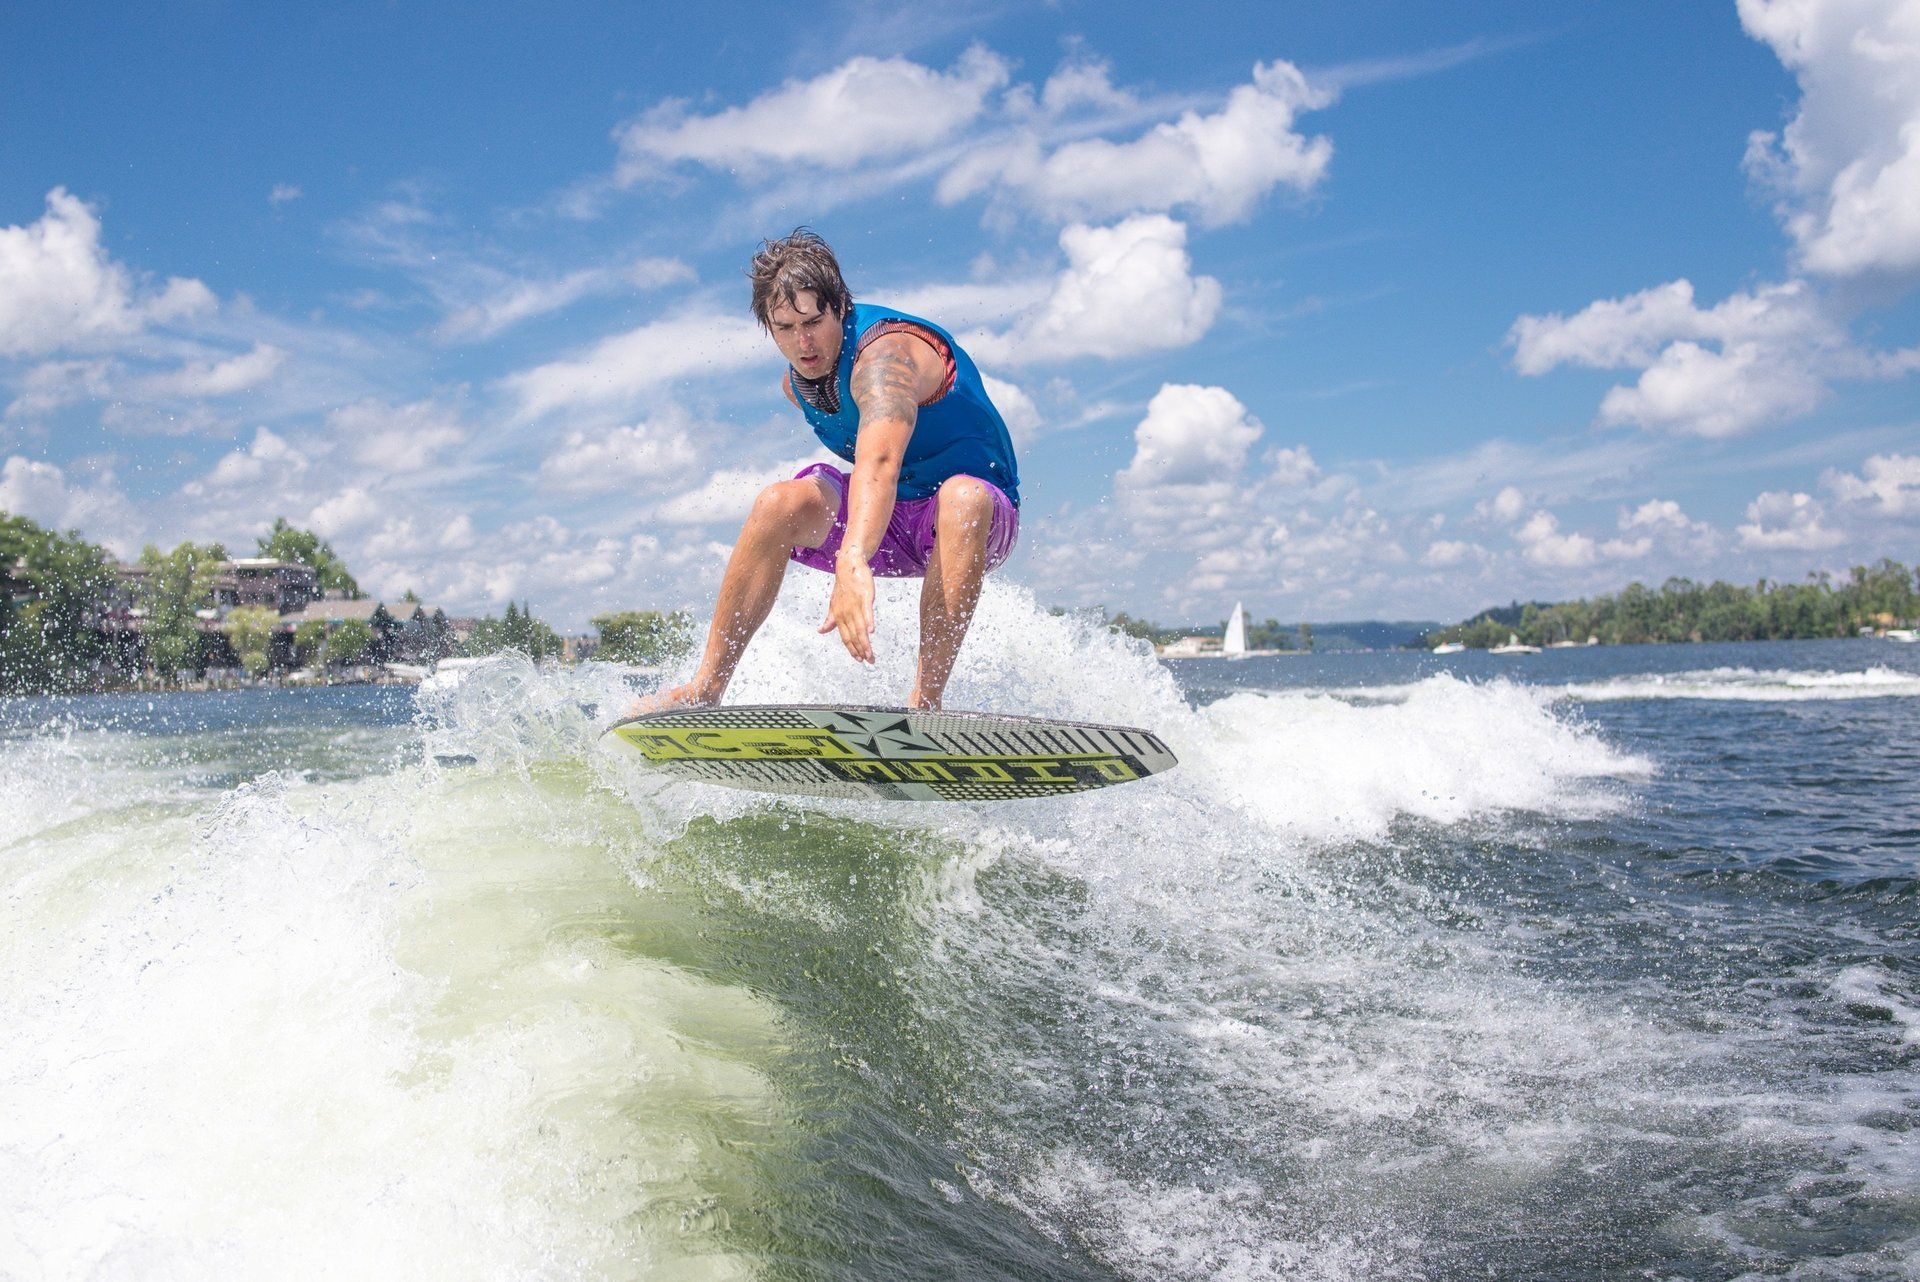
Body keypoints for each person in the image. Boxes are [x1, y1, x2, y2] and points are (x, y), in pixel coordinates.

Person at [642, 228, 1022, 712]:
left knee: (963, 496)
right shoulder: (796, 385)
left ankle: (926, 705)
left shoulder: (886, 360)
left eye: (814, 321)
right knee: (779, 502)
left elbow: (879, 462)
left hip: (974, 523)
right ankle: (705, 690)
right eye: (784, 328)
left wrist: (852, 558)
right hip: (891, 522)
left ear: (840, 306)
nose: (803, 342)